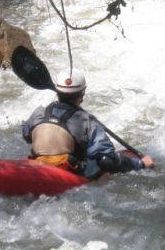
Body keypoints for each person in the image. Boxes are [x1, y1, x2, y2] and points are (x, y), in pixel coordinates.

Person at [22, 68, 154, 179]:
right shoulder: (86, 120)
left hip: (37, 166)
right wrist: (140, 164)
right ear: (82, 95)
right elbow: (106, 160)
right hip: (66, 171)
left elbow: (26, 135)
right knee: (100, 158)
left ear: (58, 93)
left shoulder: (39, 113)